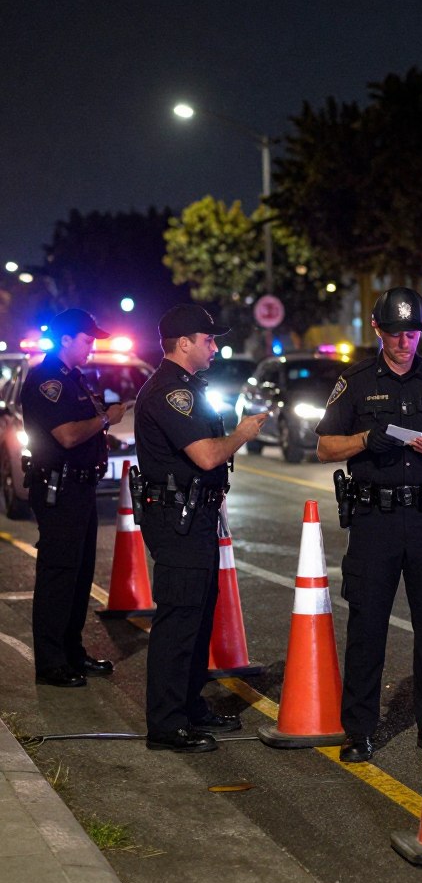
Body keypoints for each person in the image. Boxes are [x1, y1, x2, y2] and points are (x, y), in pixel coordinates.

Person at [315, 287, 422, 762]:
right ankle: (359, 730)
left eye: (411, 333)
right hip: (375, 519)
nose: (404, 342)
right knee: (368, 627)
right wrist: (367, 438)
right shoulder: (358, 381)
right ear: (377, 330)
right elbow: (326, 447)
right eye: (394, 333)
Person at [134, 304, 267, 752]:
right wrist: (243, 433)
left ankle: (189, 707)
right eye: (208, 339)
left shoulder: (188, 388)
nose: (215, 345)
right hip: (178, 520)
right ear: (184, 342)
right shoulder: (172, 393)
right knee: (179, 619)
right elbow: (208, 455)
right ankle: (167, 724)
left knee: (198, 614)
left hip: (194, 515)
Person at [22, 309, 127, 687]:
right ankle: (51, 663)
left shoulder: (74, 378)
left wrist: (104, 436)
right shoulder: (48, 379)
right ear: (66, 339)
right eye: (86, 339)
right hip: (58, 489)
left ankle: (71, 652)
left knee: (79, 575)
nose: (91, 345)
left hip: (79, 487)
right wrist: (105, 421)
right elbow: (66, 435)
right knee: (59, 575)